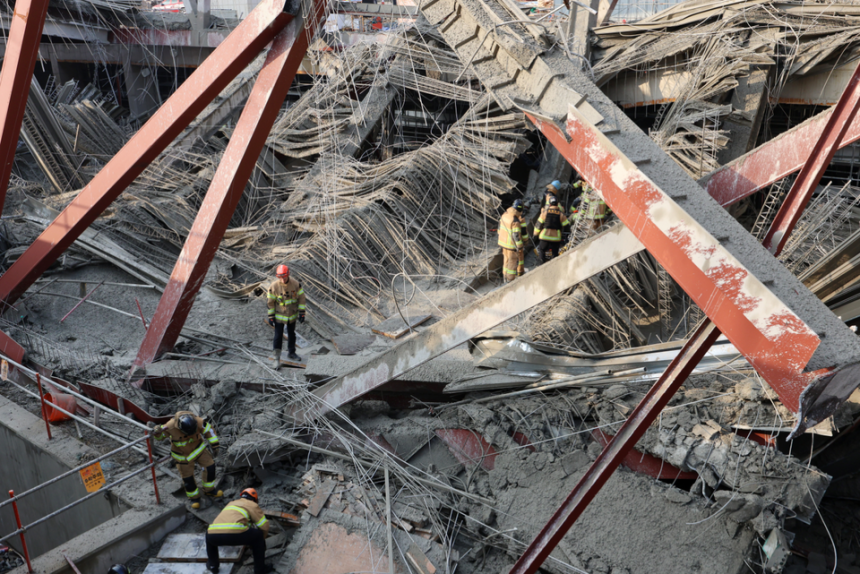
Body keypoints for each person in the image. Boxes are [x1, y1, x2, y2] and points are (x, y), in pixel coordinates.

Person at [152, 411, 222, 509]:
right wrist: (157, 432)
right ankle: (194, 498)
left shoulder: (198, 421)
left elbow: (209, 431)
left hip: (199, 450)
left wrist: (215, 445)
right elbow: (160, 437)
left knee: (210, 467)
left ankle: (209, 490)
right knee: (188, 478)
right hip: (183, 456)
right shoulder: (170, 426)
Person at [207, 488, 270, 574]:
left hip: (213, 536)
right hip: (235, 534)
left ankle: (213, 565)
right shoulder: (252, 504)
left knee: (208, 533)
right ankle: (260, 570)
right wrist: (261, 542)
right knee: (258, 536)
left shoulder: (231, 503)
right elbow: (264, 526)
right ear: (254, 499)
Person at [266, 264, 306, 368]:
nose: (282, 279)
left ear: (288, 274)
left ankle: (291, 353)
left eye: (284, 277)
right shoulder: (274, 287)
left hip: (292, 315)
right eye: (280, 277)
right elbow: (270, 302)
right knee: (278, 336)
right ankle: (276, 358)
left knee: (292, 334)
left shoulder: (296, 284)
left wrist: (302, 313)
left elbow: (301, 299)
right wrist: (271, 316)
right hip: (279, 316)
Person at [497, 199, 527, 281]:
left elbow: (499, 229)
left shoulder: (504, 215)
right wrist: (520, 247)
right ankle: (510, 280)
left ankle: (504, 278)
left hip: (503, 242)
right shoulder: (515, 221)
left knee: (505, 261)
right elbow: (516, 235)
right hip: (511, 245)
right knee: (512, 263)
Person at [533, 195, 569, 263]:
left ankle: (541, 264)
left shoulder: (544, 213)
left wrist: (535, 234)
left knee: (541, 250)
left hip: (544, 236)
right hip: (556, 238)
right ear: (557, 204)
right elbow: (567, 227)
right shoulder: (561, 214)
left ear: (549, 204)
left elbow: (538, 225)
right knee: (555, 253)